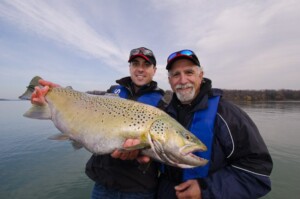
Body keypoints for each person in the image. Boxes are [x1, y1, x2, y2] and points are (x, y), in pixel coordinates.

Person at [120, 49, 273, 199]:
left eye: (189, 72)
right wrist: (144, 156)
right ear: (169, 80)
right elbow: (160, 154)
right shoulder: (162, 114)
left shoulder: (228, 115)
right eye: (175, 75)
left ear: (201, 75)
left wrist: (206, 190)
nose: (183, 80)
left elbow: (257, 172)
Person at [31, 47, 166, 199]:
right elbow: (84, 99)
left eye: (146, 65)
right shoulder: (112, 91)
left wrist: (144, 161)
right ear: (130, 67)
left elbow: (166, 151)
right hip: (102, 185)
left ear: (154, 70)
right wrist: (58, 93)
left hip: (139, 190)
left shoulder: (164, 102)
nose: (140, 69)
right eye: (135, 64)